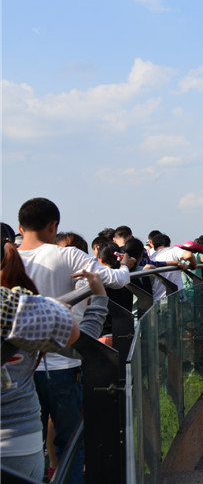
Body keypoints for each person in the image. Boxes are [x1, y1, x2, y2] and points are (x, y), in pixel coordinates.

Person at [16, 197, 132, 484]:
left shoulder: (8, 260)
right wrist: (127, 265)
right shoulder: (66, 255)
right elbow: (116, 280)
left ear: (20, 226)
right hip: (63, 365)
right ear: (53, 225)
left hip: (20, 371)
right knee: (70, 444)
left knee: (31, 446)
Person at [2, 240, 109, 481]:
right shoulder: (11, 305)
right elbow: (82, 343)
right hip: (15, 441)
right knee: (70, 440)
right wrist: (98, 298)